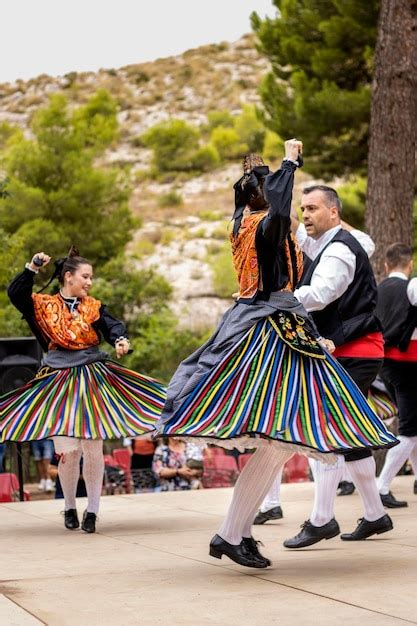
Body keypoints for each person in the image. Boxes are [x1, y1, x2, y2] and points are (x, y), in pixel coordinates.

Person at [156, 141, 397, 568]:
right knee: (278, 441)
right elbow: (283, 219)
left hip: (260, 323)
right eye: (283, 196)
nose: (294, 211)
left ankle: (238, 533)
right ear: (264, 197)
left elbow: (299, 233)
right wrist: (288, 163)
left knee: (279, 442)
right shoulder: (265, 227)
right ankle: (232, 534)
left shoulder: (241, 221)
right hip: (271, 330)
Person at [1, 247, 165, 533]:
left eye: (90, 278)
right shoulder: (42, 305)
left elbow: (112, 325)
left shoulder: (92, 306)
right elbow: (16, 294)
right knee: (68, 451)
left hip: (92, 378)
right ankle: (69, 505)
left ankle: (92, 510)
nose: (89, 282)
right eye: (85, 277)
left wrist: (120, 340)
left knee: (93, 447)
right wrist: (32, 268)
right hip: (58, 381)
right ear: (68, 277)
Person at [279, 185, 394, 548]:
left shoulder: (340, 249)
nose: (307, 214)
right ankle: (376, 515)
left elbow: (322, 292)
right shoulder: (325, 242)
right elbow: (296, 230)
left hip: (356, 352)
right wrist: (280, 190)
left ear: (334, 212)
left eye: (313, 208)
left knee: (326, 430)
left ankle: (322, 519)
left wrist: (277, 301)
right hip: (350, 351)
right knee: (349, 436)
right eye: (304, 208)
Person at [376, 243, 417, 506]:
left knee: (413, 425)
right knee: (409, 429)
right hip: (409, 364)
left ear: (386, 265)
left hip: (383, 364)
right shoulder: (411, 289)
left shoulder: (376, 290)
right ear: (410, 264)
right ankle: (381, 486)